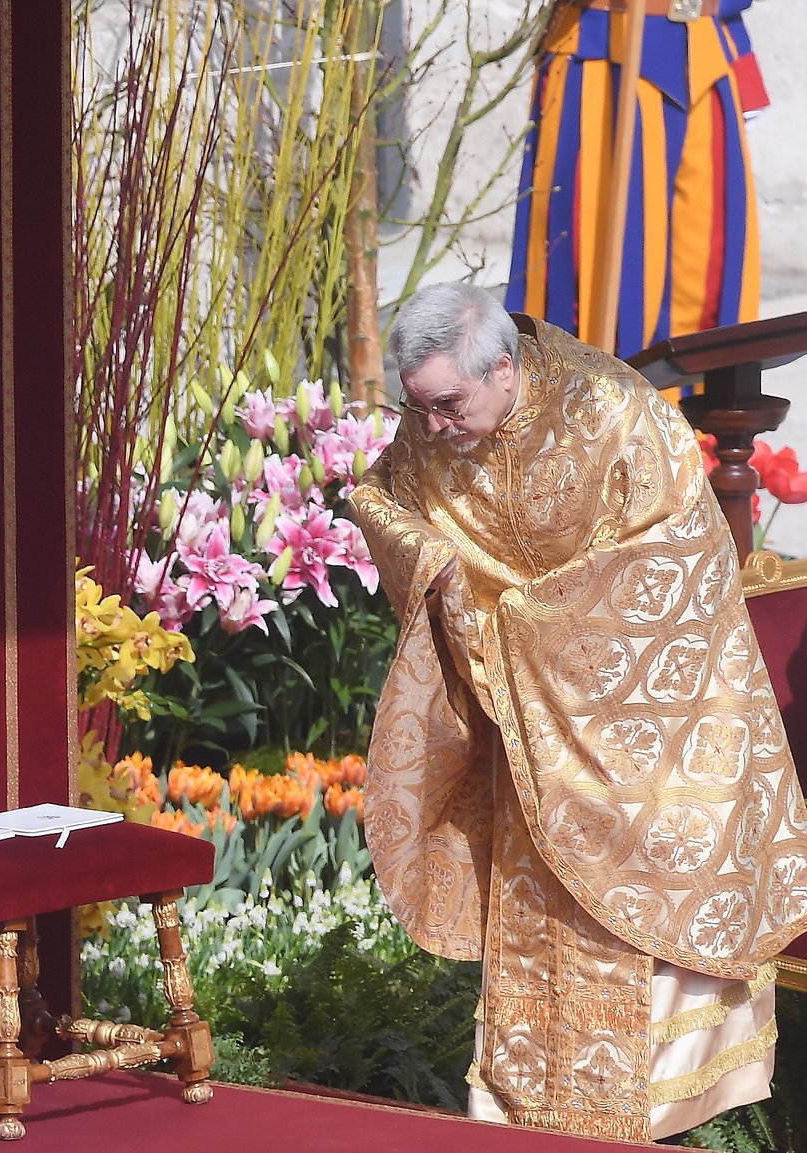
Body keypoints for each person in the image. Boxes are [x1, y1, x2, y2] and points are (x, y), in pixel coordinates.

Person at [348, 282, 807, 1141]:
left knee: (636, 916)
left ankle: (664, 1118)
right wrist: (435, 563)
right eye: (419, 407)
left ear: (505, 366)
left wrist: (525, 623)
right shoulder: (431, 425)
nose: (433, 428)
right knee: (537, 930)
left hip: (643, 735)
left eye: (448, 404)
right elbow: (379, 499)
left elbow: (677, 555)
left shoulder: (614, 410)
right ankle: (524, 1116)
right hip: (525, 728)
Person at [505, 0, 768, 358]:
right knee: (597, 280)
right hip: (602, 61)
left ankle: (688, 407)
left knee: (708, 273)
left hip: (708, 54)